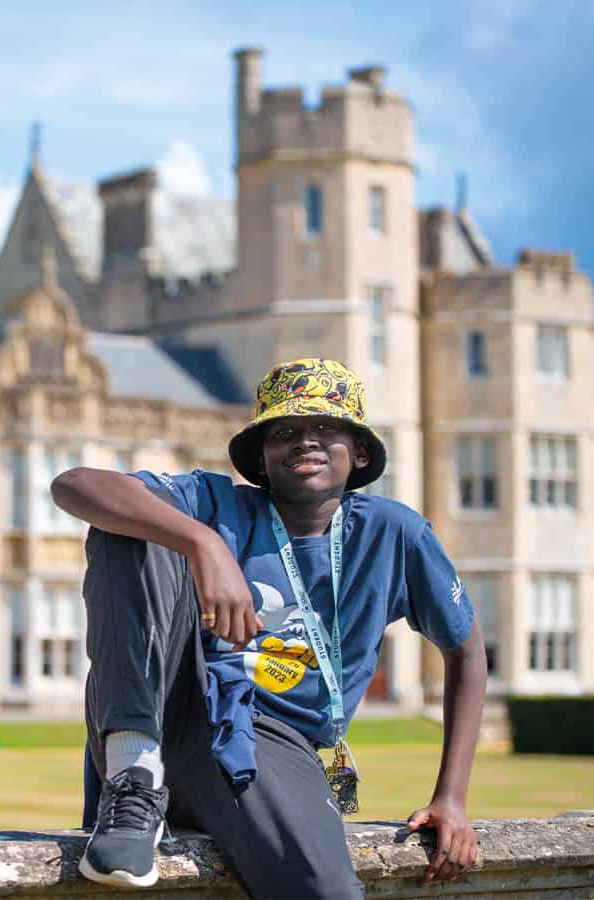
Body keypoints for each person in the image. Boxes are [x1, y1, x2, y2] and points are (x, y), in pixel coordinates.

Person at [51, 357, 487, 898]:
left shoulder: (393, 534)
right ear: (261, 456)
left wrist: (452, 798)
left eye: (326, 428)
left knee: (326, 889)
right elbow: (75, 484)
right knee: (128, 524)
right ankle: (132, 783)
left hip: (274, 741)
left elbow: (467, 652)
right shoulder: (216, 506)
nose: (304, 441)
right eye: (284, 431)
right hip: (171, 704)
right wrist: (202, 543)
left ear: (362, 452)